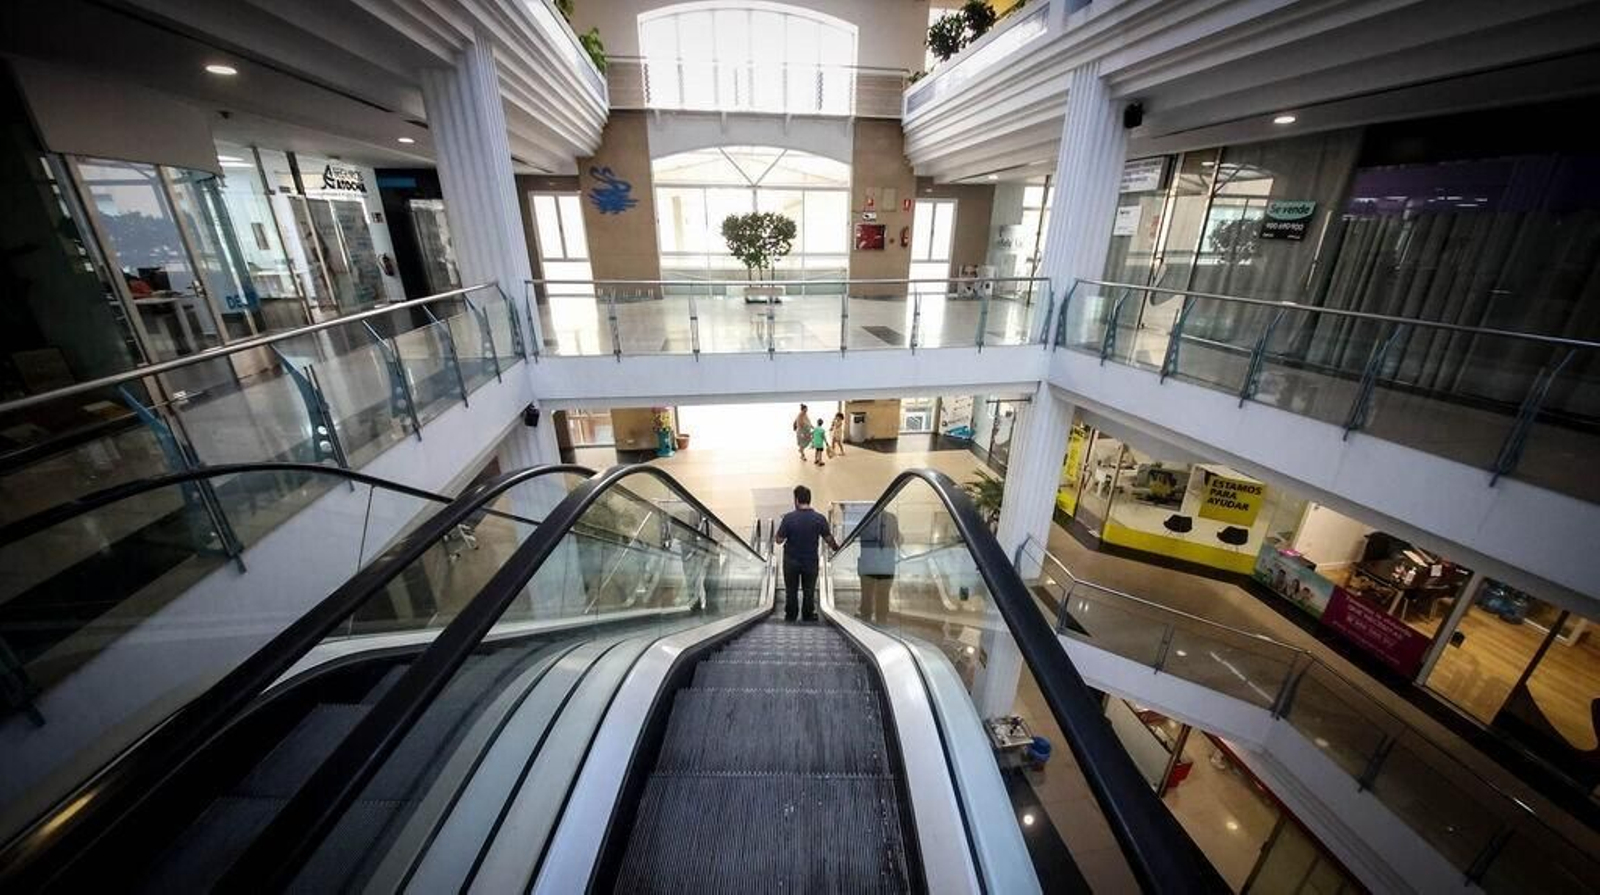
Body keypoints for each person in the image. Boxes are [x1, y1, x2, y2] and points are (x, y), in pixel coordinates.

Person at [775, 484, 839, 622]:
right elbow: (828, 538)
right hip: (810, 560)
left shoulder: (788, 518)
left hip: (791, 560)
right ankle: (808, 614)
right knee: (809, 590)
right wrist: (836, 548)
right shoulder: (819, 518)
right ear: (809, 499)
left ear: (797, 500)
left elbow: (779, 540)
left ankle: (791, 615)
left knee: (791, 590)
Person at [857, 509, 900, 623]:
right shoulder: (892, 518)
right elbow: (898, 539)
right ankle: (881, 618)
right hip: (886, 563)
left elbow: (857, 536)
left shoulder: (865, 519)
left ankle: (866, 618)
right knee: (884, 593)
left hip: (868, 562)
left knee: (867, 593)